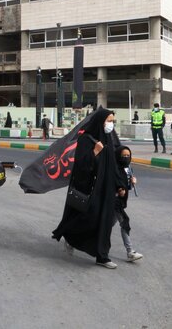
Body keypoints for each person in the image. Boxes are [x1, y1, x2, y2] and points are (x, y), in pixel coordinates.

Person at [52, 108, 121, 269]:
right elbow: (81, 166)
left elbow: (113, 164)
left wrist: (120, 185)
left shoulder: (109, 139)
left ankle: (102, 256)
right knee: (89, 218)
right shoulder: (86, 140)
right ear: (100, 122)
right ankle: (70, 236)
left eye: (112, 121)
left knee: (105, 221)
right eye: (108, 121)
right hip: (91, 188)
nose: (111, 125)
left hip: (107, 187)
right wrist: (95, 152)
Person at [114, 146, 143, 262]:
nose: (126, 158)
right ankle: (130, 251)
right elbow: (112, 183)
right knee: (124, 222)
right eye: (123, 156)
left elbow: (127, 186)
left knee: (105, 226)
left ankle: (77, 241)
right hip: (114, 201)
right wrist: (118, 190)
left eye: (128, 156)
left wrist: (131, 182)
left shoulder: (128, 168)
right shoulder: (114, 169)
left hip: (121, 202)